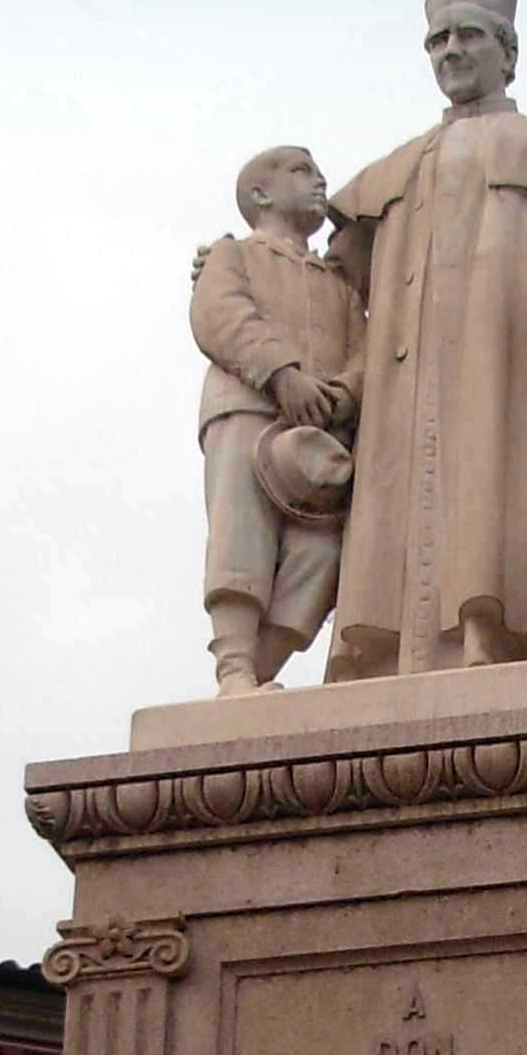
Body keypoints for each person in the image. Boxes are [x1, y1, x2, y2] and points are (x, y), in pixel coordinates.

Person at [321, 0, 527, 676]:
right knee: (398, 504)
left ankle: (495, 635)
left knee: (498, 484)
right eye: (438, 41)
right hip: (403, 385)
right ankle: (393, 651)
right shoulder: (390, 172)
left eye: (469, 36)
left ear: (508, 53)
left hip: (508, 359)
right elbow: (329, 286)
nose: (452, 51)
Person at [190, 146, 363, 694]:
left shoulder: (339, 283)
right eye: (301, 172)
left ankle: (258, 672)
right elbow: (221, 315)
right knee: (242, 535)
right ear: (260, 194)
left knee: (323, 554)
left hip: (320, 436)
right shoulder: (233, 254)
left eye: (318, 171)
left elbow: (365, 350)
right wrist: (282, 374)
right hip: (248, 409)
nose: (319, 181)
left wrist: (344, 393)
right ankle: (235, 667)